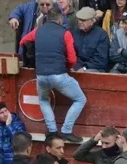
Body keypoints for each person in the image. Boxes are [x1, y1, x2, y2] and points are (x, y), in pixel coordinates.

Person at [20, 5, 85, 143]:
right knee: (80, 99)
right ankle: (66, 130)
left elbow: (23, 41)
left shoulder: (38, 30)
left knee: (43, 100)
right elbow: (72, 59)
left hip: (41, 75)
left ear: (47, 18)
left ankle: (52, 131)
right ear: (60, 19)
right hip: (59, 74)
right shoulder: (65, 33)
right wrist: (67, 67)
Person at [72, 6, 110, 71]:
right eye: (79, 19)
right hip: (77, 66)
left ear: (92, 21)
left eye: (83, 20)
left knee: (86, 73)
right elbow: (71, 53)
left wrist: (84, 68)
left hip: (95, 68)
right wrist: (77, 66)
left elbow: (101, 59)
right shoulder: (74, 32)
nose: (80, 22)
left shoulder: (101, 35)